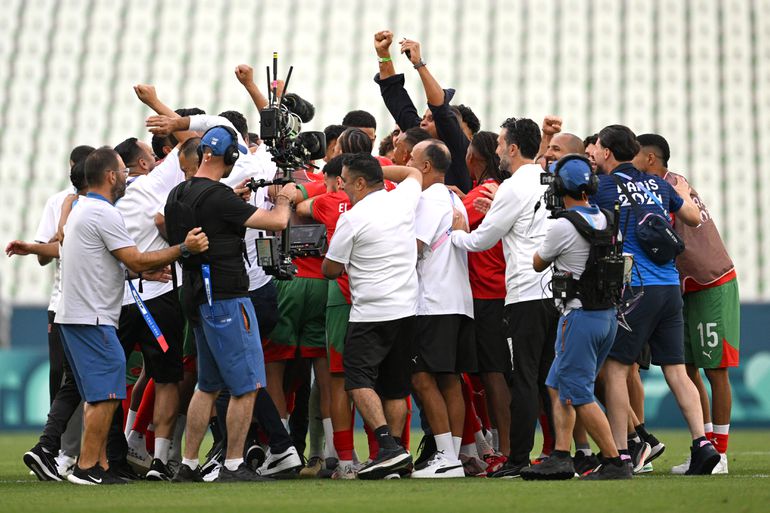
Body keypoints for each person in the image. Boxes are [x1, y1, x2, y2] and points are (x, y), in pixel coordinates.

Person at [54, 147, 208, 485]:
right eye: (123, 171)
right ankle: (87, 466)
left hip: (81, 314)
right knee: (104, 394)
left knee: (104, 392)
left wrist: (138, 272)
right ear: (110, 176)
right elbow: (136, 258)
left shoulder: (83, 210)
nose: (127, 176)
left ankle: (100, 466)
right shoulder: (104, 214)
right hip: (91, 316)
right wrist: (183, 249)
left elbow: (111, 263)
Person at [164, 126, 297, 483]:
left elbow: (204, 221)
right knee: (248, 384)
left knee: (207, 385)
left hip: (196, 295)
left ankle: (189, 464)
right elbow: (278, 221)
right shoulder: (220, 198)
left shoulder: (178, 193)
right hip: (226, 296)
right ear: (230, 157)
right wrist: (284, 197)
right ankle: (234, 464)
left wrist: (232, 202)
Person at [590, 124, 720, 475]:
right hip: (669, 287)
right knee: (676, 371)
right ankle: (702, 444)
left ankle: (620, 454)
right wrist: (682, 191)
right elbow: (692, 218)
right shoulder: (659, 184)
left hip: (636, 290)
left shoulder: (604, 187)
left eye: (598, 148)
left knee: (615, 370)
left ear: (606, 152)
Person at [450, 117, 558, 478]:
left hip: (526, 293)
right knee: (549, 378)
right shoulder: (548, 180)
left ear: (513, 148)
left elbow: (483, 240)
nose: (497, 150)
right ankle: (563, 452)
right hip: (555, 291)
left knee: (524, 378)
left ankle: (517, 459)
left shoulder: (512, 187)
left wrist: (457, 234)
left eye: (499, 143)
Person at [634, 133, 739, 475]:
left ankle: (720, 454)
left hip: (711, 281)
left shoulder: (671, 185)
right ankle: (704, 449)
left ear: (650, 160)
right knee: (686, 368)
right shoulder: (666, 184)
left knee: (715, 369)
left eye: (634, 156)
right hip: (682, 287)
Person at [522, 154, 631, 480]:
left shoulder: (563, 225)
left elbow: (538, 263)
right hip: (606, 317)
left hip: (579, 318)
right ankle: (561, 455)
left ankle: (615, 461)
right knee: (557, 384)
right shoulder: (606, 219)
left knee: (578, 393)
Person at [322, 153, 422, 479]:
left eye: (347, 180)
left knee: (357, 379)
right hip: (407, 309)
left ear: (361, 183)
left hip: (370, 312)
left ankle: (387, 447)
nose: (342, 185)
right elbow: (410, 172)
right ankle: (391, 456)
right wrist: (377, 168)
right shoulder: (403, 199)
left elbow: (330, 269)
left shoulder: (353, 218)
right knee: (395, 387)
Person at [404, 140, 475, 479]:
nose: (407, 162)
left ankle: (446, 456)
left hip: (432, 301)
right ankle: (453, 456)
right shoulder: (452, 197)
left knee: (421, 377)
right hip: (457, 300)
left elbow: (413, 247)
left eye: (412, 158)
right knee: (449, 379)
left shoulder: (428, 198)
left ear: (427, 167)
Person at [457, 131, 511, 474]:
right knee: (491, 374)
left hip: (486, 294)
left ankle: (504, 450)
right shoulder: (495, 191)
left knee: (493, 374)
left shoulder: (484, 193)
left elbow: (454, 223)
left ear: (473, 158)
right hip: (494, 292)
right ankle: (499, 445)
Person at [373, 30, 473, 193]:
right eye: (424, 117)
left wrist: (419, 64)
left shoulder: (457, 149)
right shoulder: (420, 134)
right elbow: (394, 94)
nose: (423, 121)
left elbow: (440, 108)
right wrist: (383, 54)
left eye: (431, 119)